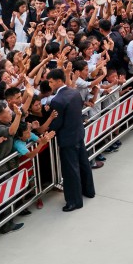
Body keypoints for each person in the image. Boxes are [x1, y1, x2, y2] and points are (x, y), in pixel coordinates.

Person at [47, 67, 97, 211]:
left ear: (58, 81)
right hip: (78, 133)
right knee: (83, 163)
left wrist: (48, 131)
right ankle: (89, 190)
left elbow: (57, 122)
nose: (50, 85)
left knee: (70, 170)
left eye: (51, 82)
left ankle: (74, 201)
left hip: (67, 138)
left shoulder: (57, 100)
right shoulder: (74, 93)